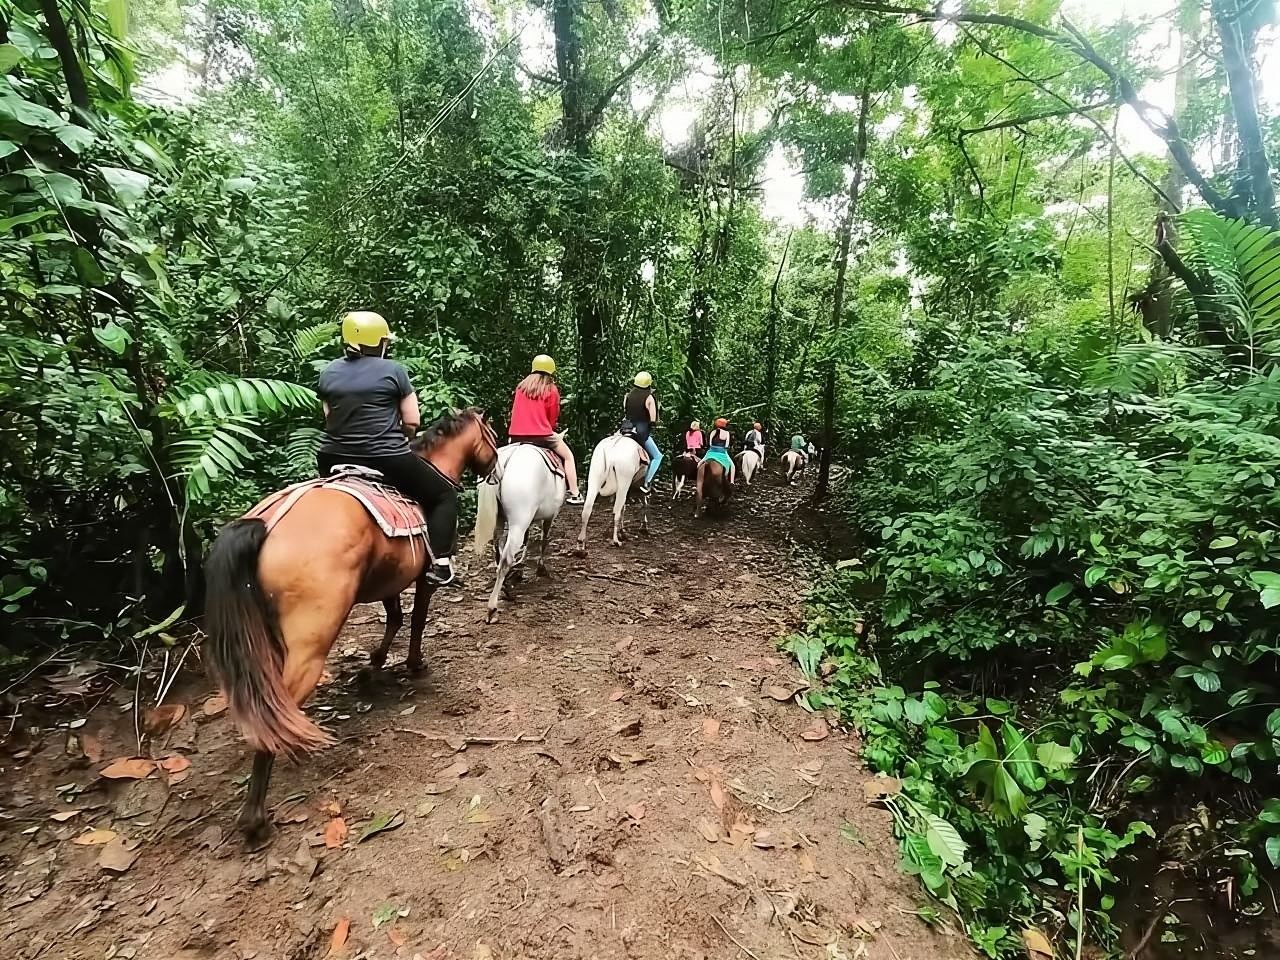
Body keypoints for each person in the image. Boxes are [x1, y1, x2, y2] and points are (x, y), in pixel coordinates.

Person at [317, 310, 460, 586]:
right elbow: (412, 420)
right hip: (384, 457)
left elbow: (328, 417)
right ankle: (441, 563)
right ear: (379, 343)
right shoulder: (394, 370)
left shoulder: (328, 372)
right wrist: (403, 435)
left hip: (331, 456)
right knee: (443, 494)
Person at [507, 354, 584, 505]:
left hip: (516, 436)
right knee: (568, 456)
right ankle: (575, 493)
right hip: (541, 435)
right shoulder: (551, 389)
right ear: (551, 372)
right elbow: (552, 416)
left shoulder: (521, 387)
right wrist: (551, 428)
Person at [624, 371, 663, 494]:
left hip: (626, 428)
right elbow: (652, 419)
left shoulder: (628, 395)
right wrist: (654, 424)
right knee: (657, 456)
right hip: (640, 432)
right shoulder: (649, 397)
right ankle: (646, 483)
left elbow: (626, 412)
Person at [705, 417, 736, 484]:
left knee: (699, 464)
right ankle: (732, 482)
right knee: (732, 466)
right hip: (722, 452)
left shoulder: (713, 432)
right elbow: (726, 445)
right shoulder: (727, 433)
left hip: (711, 452)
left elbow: (710, 443)